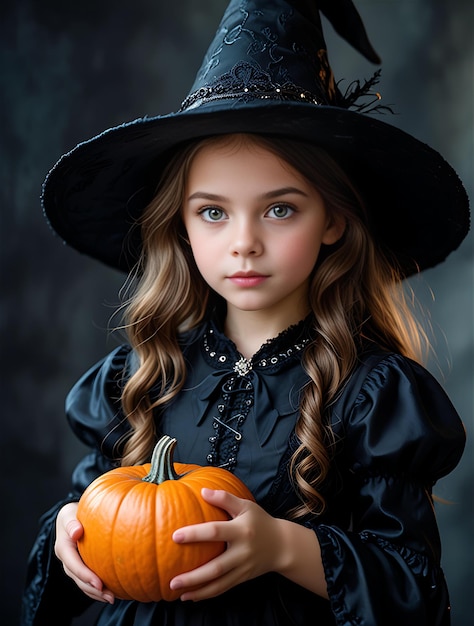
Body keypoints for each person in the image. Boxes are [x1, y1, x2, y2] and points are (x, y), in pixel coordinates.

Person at [21, 1, 470, 625]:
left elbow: (414, 591)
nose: (243, 242)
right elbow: (90, 513)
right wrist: (70, 531)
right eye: (213, 212)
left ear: (334, 220)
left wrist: (281, 547)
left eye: (280, 209)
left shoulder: (371, 396)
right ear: (181, 223)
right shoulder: (139, 377)